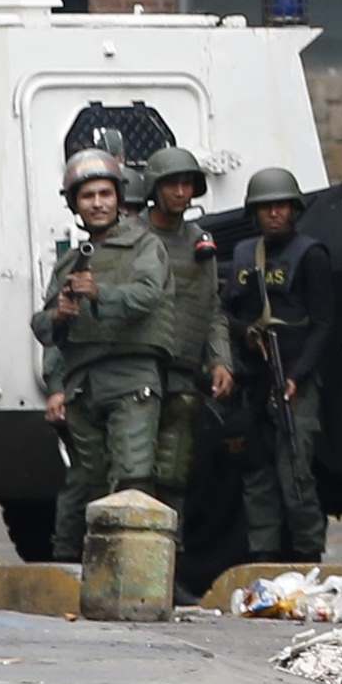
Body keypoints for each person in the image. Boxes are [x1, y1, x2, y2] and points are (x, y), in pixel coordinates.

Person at [31, 147, 171, 538]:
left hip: (132, 378)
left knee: (133, 479)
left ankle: (138, 576)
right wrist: (59, 316)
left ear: (119, 197)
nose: (97, 204)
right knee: (85, 486)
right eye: (87, 196)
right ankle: (74, 570)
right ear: (75, 204)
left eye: (105, 194)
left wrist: (100, 292)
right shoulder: (68, 263)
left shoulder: (144, 247)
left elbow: (147, 296)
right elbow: (43, 329)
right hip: (82, 387)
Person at [221, 165, 334, 565]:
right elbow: (227, 314)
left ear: (294, 208)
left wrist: (297, 376)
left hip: (294, 380)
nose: (274, 214)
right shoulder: (243, 254)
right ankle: (263, 556)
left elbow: (323, 324)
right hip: (253, 379)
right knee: (256, 477)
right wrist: (246, 335)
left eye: (282, 206)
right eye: (266, 207)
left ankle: (308, 556)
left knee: (296, 474)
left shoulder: (310, 254)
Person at [136, 146, 223, 531]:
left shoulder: (199, 242)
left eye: (188, 184)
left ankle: (170, 560)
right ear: (154, 188)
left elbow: (213, 306)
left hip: (184, 373)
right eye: (172, 184)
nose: (181, 193)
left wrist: (222, 360)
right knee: (133, 473)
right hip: (136, 372)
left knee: (175, 475)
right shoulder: (131, 238)